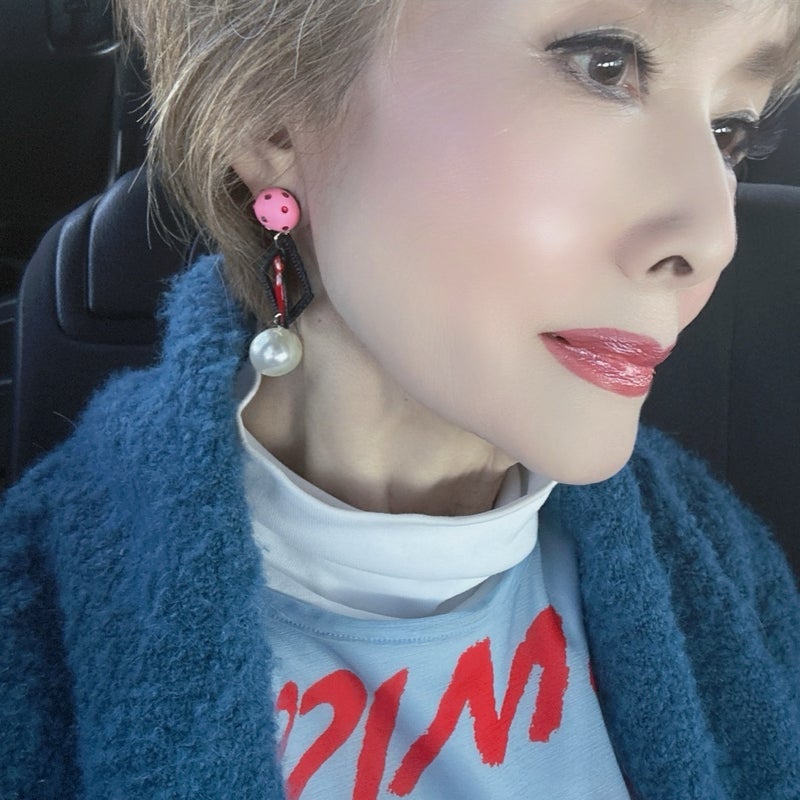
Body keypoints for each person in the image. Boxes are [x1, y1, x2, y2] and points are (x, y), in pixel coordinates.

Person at [2, 1, 800, 797]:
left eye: (729, 131)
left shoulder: (723, 569)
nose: (711, 238)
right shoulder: (31, 634)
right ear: (270, 120)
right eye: (604, 65)